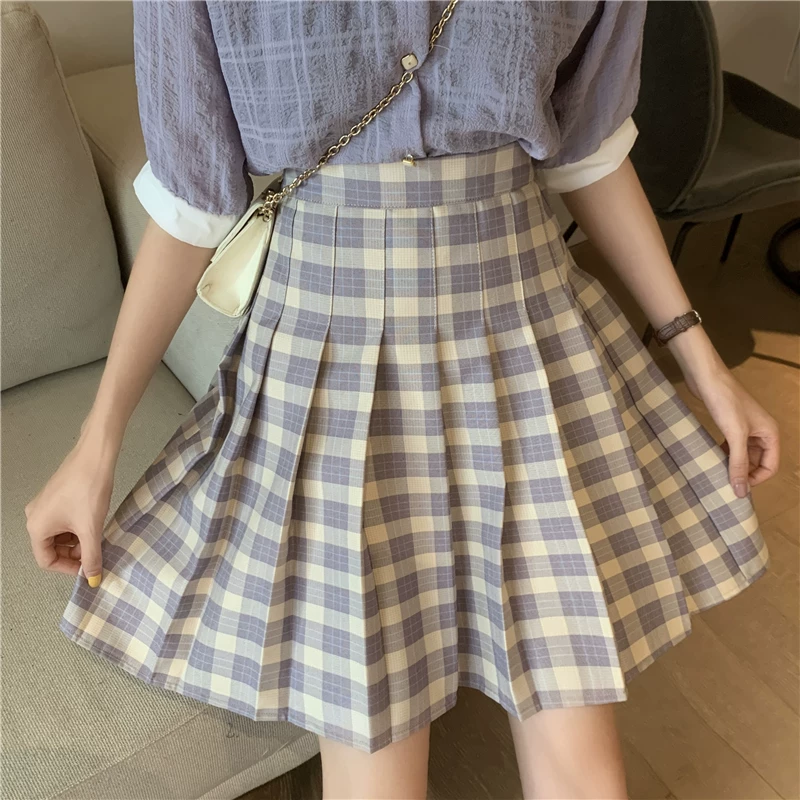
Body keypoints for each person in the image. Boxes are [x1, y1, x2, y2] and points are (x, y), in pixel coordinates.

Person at [25, 2, 779, 798]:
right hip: (327, 374)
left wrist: (703, 363)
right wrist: (96, 444)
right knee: (374, 754)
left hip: (527, 344)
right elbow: (193, 204)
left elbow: (589, 149)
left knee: (581, 749)